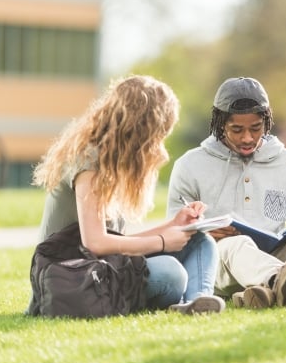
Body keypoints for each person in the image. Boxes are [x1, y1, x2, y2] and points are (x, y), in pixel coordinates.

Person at [31, 75, 224, 315]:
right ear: (143, 128)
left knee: (200, 241)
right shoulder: (88, 161)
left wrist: (173, 226)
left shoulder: (112, 163)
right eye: (160, 133)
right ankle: (187, 301)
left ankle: (197, 303)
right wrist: (163, 242)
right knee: (170, 273)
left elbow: (116, 243)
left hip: (97, 267)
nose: (160, 142)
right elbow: (96, 243)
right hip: (70, 277)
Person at [166, 76, 286, 309]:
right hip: (221, 263)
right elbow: (172, 233)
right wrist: (205, 233)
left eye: (255, 128)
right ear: (220, 123)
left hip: (274, 254)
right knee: (236, 243)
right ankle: (280, 282)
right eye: (236, 130)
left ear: (266, 121)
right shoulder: (189, 165)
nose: (247, 138)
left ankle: (266, 290)